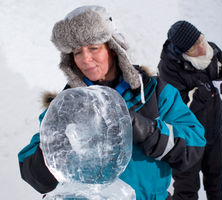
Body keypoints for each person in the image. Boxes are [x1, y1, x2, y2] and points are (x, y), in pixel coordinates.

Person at [17, 6, 206, 200]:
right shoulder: (65, 108)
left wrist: (146, 130)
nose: (85, 59)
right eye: (77, 52)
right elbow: (31, 173)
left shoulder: (155, 94)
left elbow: (194, 147)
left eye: (93, 48)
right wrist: (60, 147)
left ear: (113, 49)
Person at [158, 20, 222, 200]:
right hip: (187, 139)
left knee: (218, 183)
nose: (202, 48)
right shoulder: (169, 68)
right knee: (187, 189)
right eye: (194, 48)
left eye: (200, 40)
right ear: (182, 52)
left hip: (213, 130)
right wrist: (199, 97)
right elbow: (174, 108)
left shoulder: (210, 49)